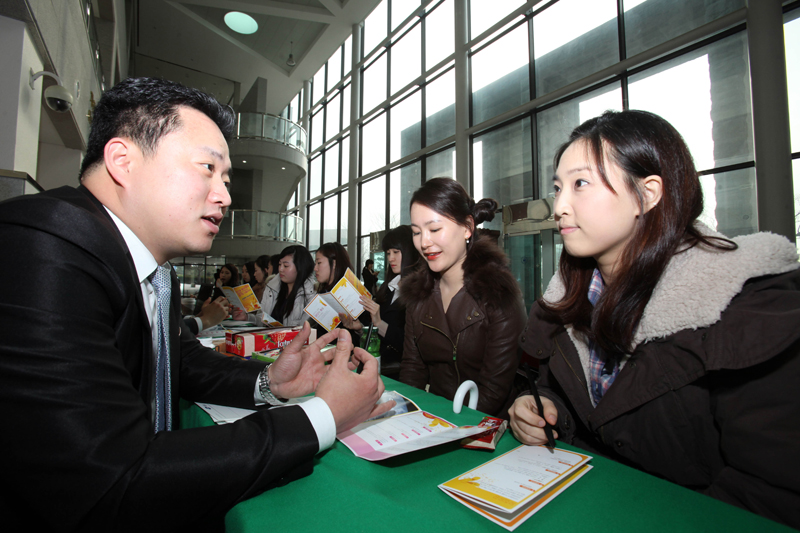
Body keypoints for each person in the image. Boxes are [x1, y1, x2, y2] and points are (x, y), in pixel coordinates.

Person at [0, 77, 391, 531]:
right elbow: (109, 481)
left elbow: (179, 361)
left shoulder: (154, 271)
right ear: (123, 161)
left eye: (225, 178)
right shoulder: (46, 247)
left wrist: (269, 382)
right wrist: (322, 415)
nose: (225, 196)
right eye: (207, 168)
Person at [508, 110, 800, 529]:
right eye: (557, 188)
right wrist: (543, 411)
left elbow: (771, 492)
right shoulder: (564, 302)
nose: (559, 206)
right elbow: (577, 402)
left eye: (580, 184)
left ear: (647, 194)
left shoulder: (747, 309)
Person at [400, 178, 526, 418]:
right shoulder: (417, 294)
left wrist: (451, 427)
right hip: (432, 419)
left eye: (434, 229)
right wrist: (405, 417)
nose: (424, 242)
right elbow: (412, 370)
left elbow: (493, 391)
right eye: (416, 232)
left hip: (485, 423)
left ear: (467, 227)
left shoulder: (498, 293)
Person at [352, 226, 419, 379]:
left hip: (399, 372)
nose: (391, 258)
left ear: (410, 252)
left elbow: (409, 343)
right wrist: (360, 328)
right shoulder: (388, 287)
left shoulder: (419, 291)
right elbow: (379, 336)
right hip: (377, 366)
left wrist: (379, 322)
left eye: (396, 252)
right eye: (388, 253)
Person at [257, 245, 317, 327]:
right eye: (279, 264)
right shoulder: (272, 287)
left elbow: (304, 328)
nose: (280, 269)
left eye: (286, 266)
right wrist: (247, 317)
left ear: (300, 267)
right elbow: (260, 318)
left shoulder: (311, 294)